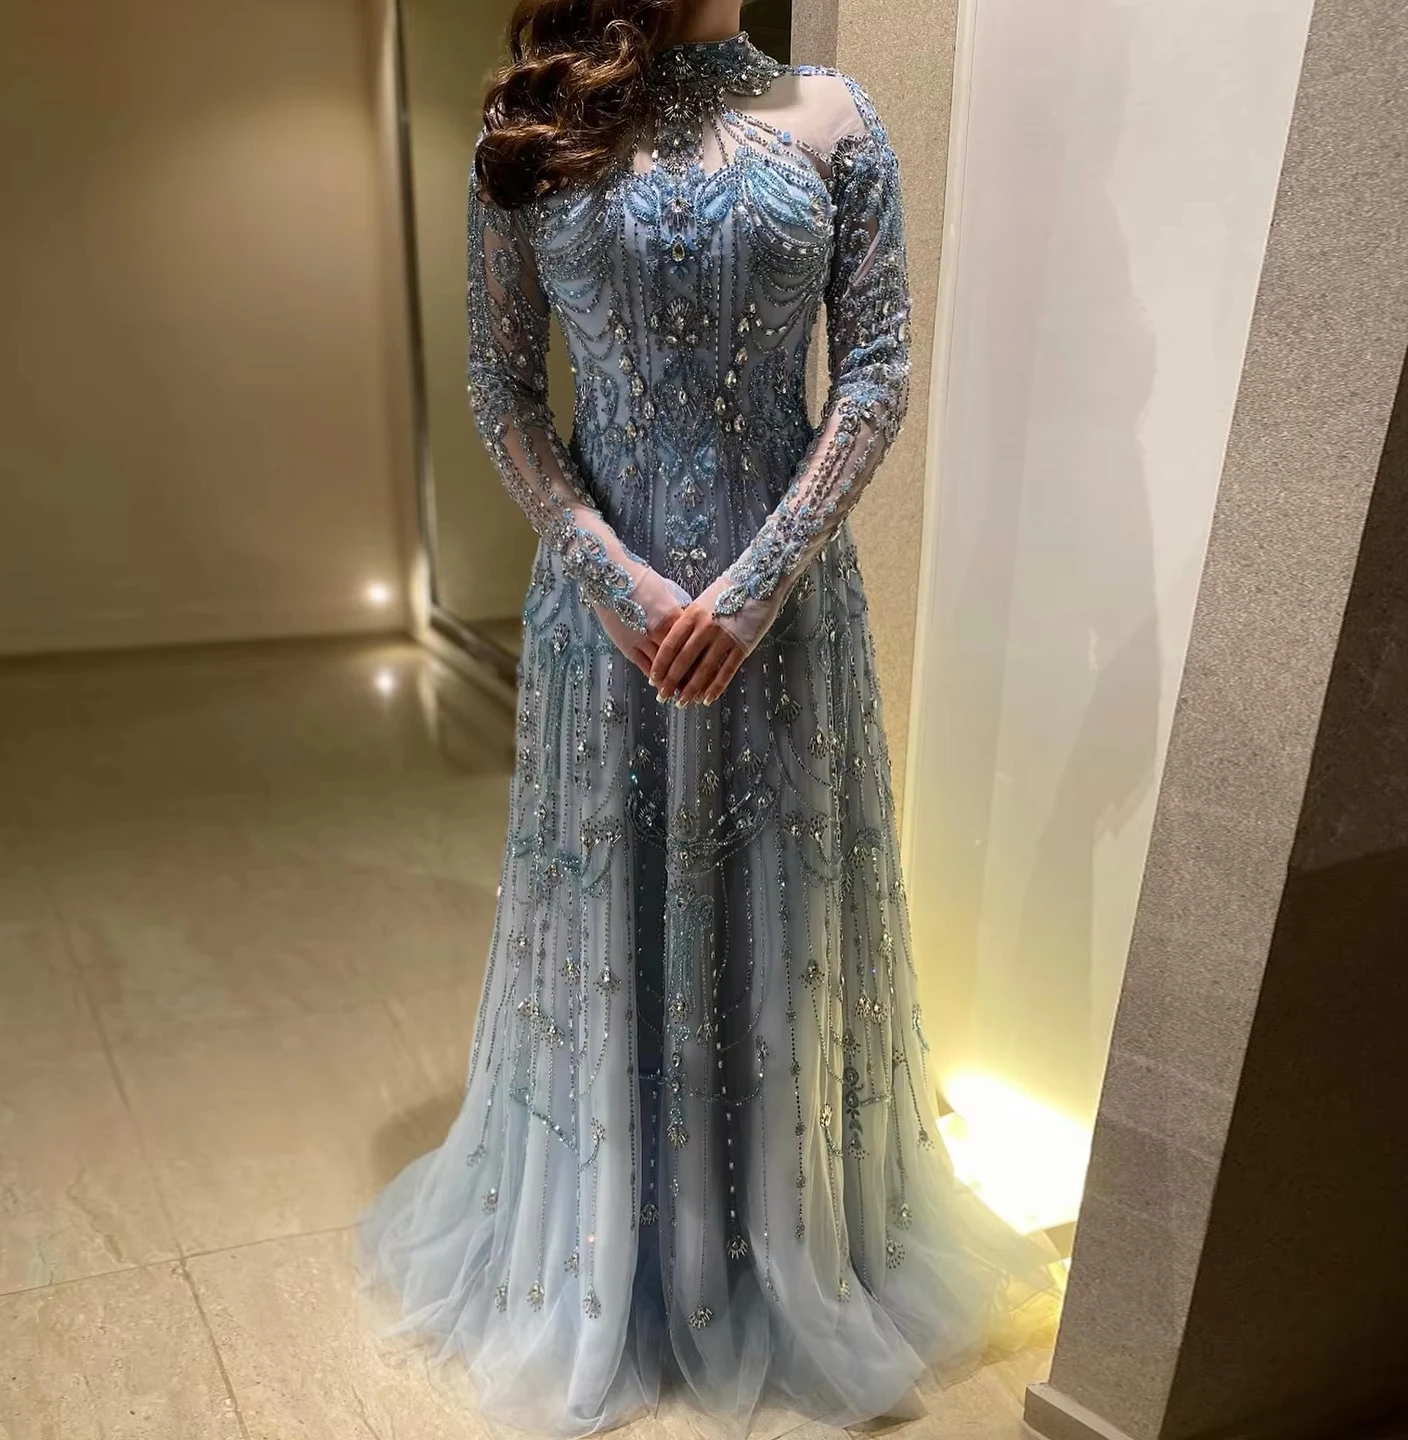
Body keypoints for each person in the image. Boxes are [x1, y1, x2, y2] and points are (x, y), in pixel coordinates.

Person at [360, 1, 1056, 1432]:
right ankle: (615, 1250)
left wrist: (753, 587)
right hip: (603, 615)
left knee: (775, 897)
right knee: (618, 891)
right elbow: (502, 386)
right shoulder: (533, 126)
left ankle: (779, 1241)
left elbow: (877, 371)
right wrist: (611, 576)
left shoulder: (837, 117)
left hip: (783, 615)